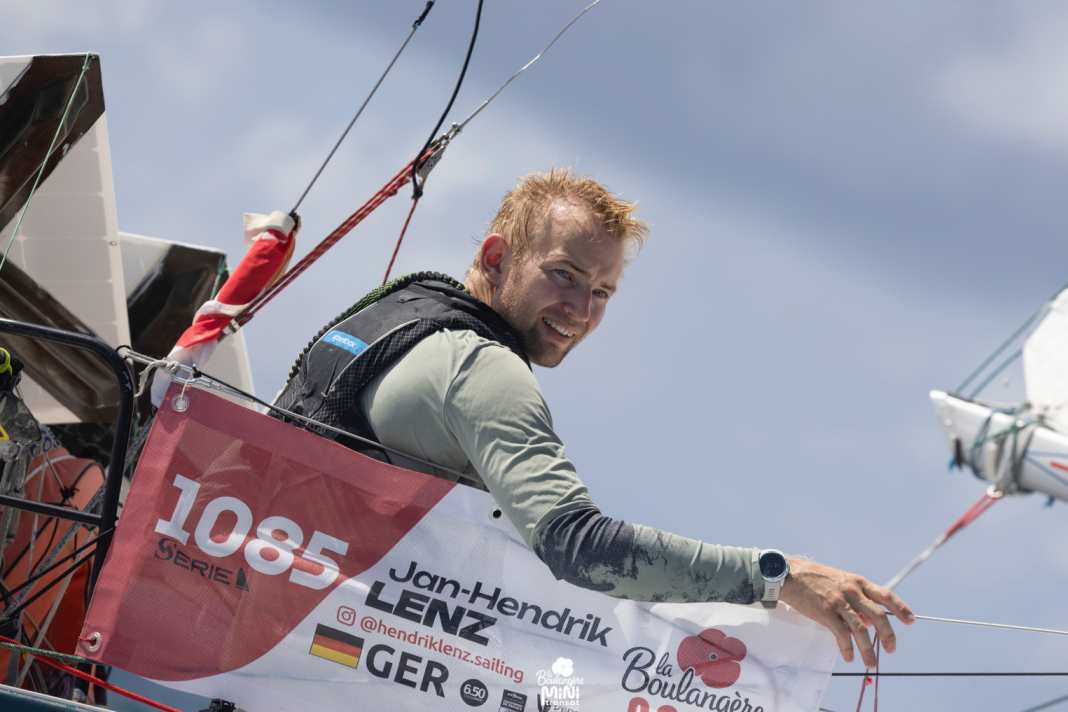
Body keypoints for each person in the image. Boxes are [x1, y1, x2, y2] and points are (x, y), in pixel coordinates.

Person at [274, 169, 913, 668]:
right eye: (564, 276)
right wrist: (777, 576)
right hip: (315, 652)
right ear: (496, 258)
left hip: (257, 625)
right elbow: (578, 547)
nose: (580, 309)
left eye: (602, 292)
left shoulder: (393, 315)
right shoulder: (483, 368)